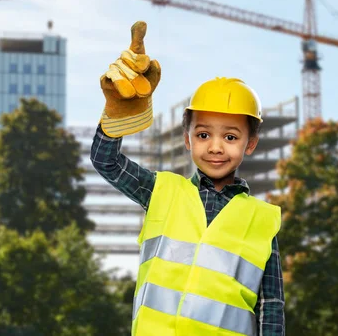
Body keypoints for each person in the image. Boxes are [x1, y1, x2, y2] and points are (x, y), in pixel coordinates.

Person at [90, 21, 285, 335]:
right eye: (204, 134)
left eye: (231, 137)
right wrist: (115, 120)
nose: (216, 147)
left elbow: (270, 307)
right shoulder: (162, 191)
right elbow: (106, 161)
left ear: (250, 143)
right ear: (187, 139)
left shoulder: (263, 220)